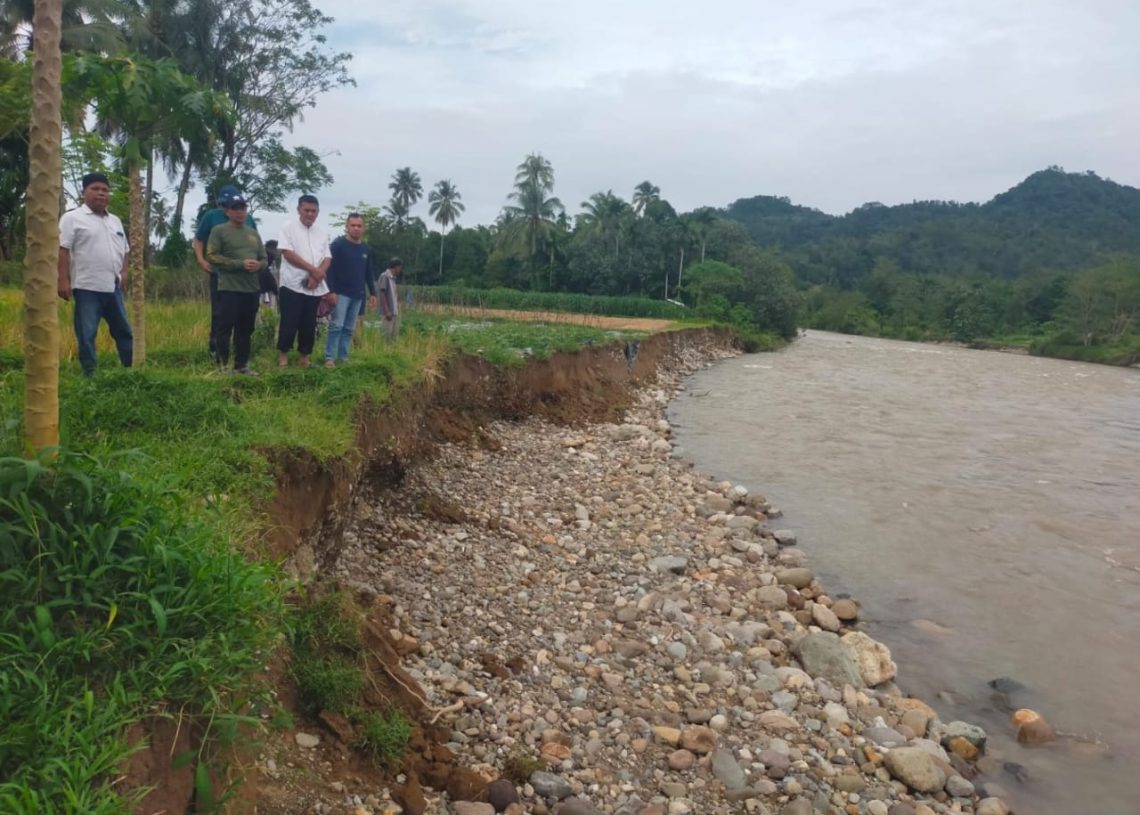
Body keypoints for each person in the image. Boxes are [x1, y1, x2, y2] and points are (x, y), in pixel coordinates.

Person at [57, 172, 133, 376]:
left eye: (105, 190)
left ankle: (130, 371)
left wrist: (124, 272)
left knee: (124, 332)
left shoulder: (115, 221)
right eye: (95, 189)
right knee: (87, 334)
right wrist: (62, 279)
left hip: (113, 287)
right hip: (86, 287)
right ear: (84, 193)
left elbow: (125, 250)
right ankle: (89, 375)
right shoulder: (72, 218)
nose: (101, 193)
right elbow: (62, 249)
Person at [206, 193, 267, 375]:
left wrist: (259, 265)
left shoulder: (253, 233)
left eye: (243, 208)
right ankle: (222, 366)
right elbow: (211, 255)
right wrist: (238, 264)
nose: (240, 212)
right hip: (229, 287)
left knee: (246, 328)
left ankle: (241, 365)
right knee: (224, 327)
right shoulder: (219, 231)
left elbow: (264, 259)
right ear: (227, 211)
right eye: (235, 208)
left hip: (251, 288)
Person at [194, 185, 257, 359]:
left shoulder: (249, 220)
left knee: (245, 318)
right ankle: (217, 352)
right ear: (223, 206)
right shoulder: (212, 217)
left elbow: (257, 245)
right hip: (221, 275)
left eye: (241, 207)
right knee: (220, 314)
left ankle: (241, 356)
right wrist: (201, 259)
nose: (238, 211)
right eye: (229, 206)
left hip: (246, 280)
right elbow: (198, 239)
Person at [276, 194, 331, 368]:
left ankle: (304, 356)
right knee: (289, 321)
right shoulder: (288, 227)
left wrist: (317, 275)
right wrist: (313, 270)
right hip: (292, 284)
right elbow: (287, 253)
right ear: (299, 209)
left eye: (313, 211)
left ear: (318, 212)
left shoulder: (321, 232)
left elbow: (327, 258)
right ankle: (283, 355)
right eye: (306, 210)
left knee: (309, 323)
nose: (310, 214)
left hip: (314, 286)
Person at [323, 213, 376, 367]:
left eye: (359, 226)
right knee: (336, 325)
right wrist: (330, 291)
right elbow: (329, 270)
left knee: (348, 328)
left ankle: (343, 357)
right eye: (352, 225)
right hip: (340, 293)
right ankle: (329, 357)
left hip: (358, 294)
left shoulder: (365, 249)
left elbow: (368, 272)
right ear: (347, 227)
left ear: (363, 228)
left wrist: (373, 293)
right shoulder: (338, 245)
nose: (356, 228)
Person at [377, 257, 403, 342]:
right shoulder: (385, 276)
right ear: (396, 267)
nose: (400, 270)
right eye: (400, 267)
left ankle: (392, 354)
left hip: (394, 312)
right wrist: (387, 311)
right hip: (388, 313)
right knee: (387, 338)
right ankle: (385, 354)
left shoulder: (393, 279)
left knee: (393, 338)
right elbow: (382, 293)